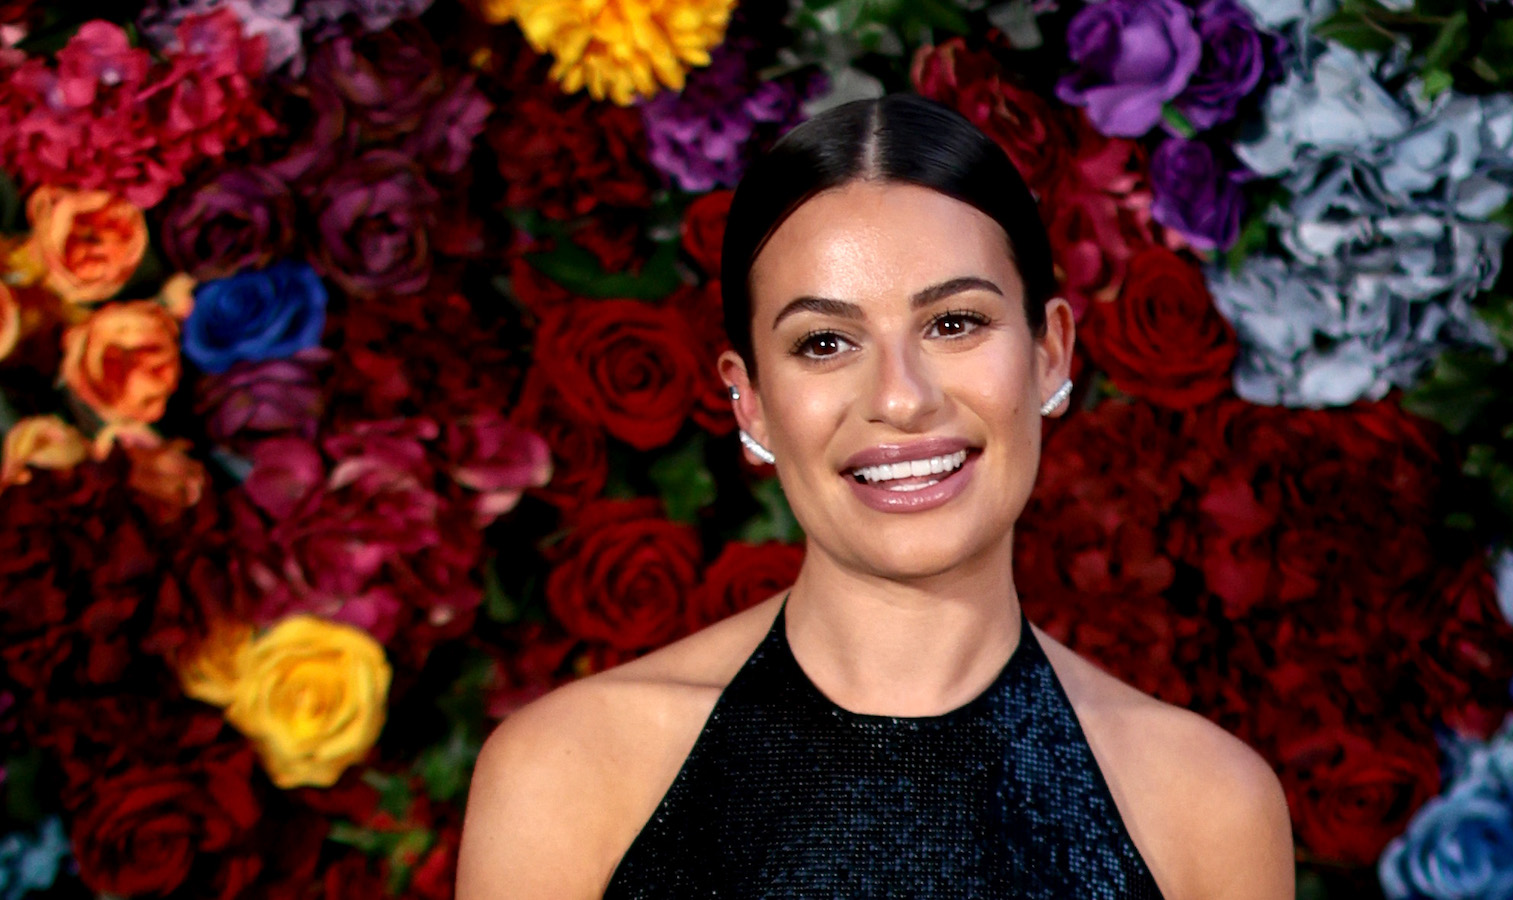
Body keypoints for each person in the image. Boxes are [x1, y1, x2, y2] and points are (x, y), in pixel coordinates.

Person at [457, 94, 1295, 899]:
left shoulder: (1206, 806)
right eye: (824, 342)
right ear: (748, 398)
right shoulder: (569, 773)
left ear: (1050, 352)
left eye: (954, 323)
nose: (901, 398)